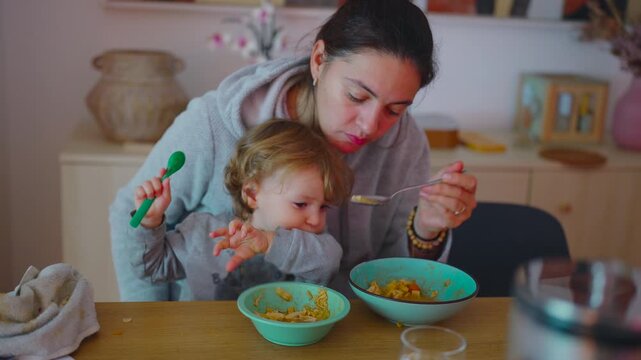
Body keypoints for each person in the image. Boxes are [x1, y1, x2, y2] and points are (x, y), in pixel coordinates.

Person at [110, 0, 478, 301]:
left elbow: (391, 277)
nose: (370, 125)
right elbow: (131, 218)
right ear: (319, 60)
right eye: (356, 96)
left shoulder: (405, 145)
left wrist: (427, 230)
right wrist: (149, 331)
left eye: (395, 109)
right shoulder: (214, 123)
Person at [129, 119, 353, 300]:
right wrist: (149, 222)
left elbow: (328, 262)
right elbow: (150, 269)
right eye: (301, 204)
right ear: (253, 194)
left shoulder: (308, 247)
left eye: (324, 207)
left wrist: (270, 242)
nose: (315, 220)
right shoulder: (203, 233)